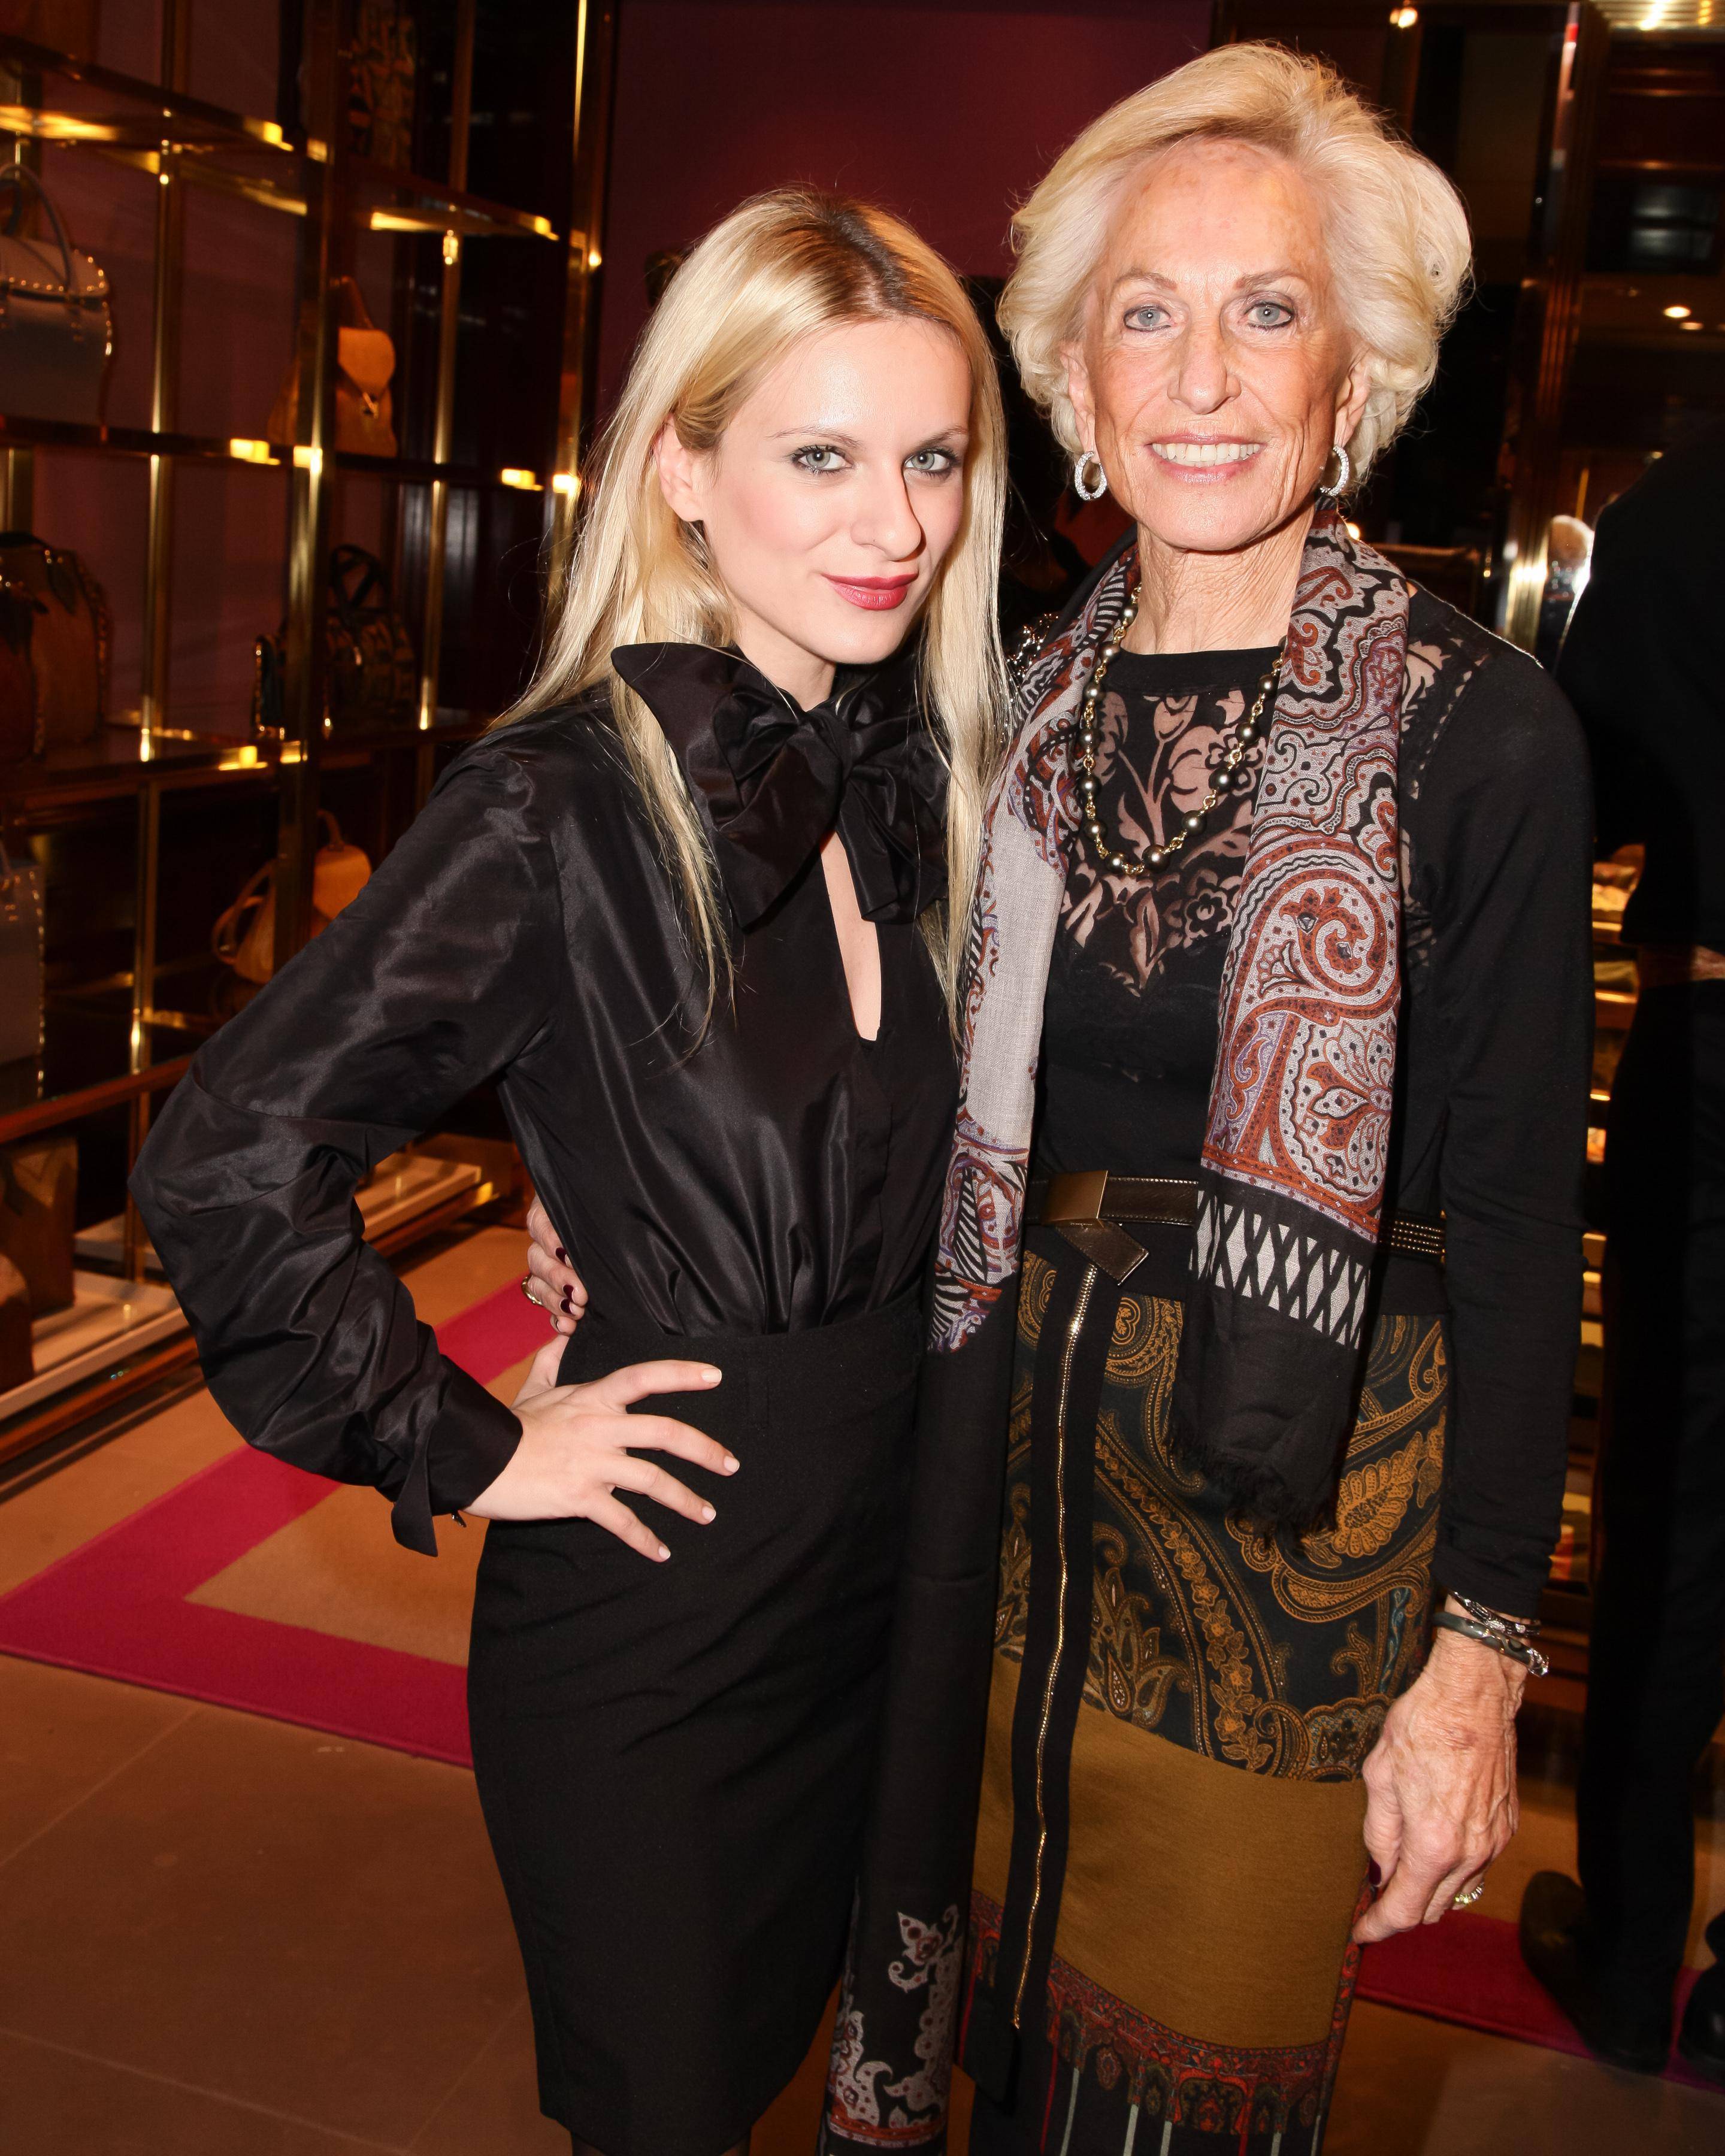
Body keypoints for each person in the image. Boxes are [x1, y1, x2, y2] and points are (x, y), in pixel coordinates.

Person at [523, 47, 1591, 2154]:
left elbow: (1524, 1232)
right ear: (1076, 387)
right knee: (967, 2047)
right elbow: (787, 1014)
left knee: (1181, 2102)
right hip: (966, 1517)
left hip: (1291, 1557)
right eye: (1145, 315)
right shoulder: (983, 711)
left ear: (1356, 377)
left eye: (1268, 311)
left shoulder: (1481, 738)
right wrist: (595, 1193)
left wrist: (1480, 1659)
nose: (1203, 376)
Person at [131, 189, 1007, 2156]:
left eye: (933, 459)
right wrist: (467, 1447)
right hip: (660, 1621)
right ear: (683, 468)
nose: (894, 523)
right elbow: (231, 1152)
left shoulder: (929, 774)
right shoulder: (558, 804)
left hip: (888, 1589)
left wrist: (612, 1190)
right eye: (821, 456)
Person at [1519, 421, 1725, 2084]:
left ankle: (1635, 1946)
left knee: (1674, 1506)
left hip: (1716, 1045)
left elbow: (1574, 792)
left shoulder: (1681, 512)